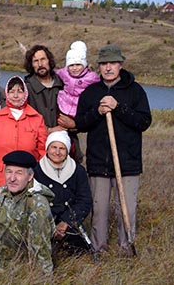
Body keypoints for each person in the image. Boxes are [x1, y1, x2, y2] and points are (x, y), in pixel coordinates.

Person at [75, 44, 151, 254]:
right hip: (98, 162)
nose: (108, 68)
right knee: (99, 210)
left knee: (127, 208)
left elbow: (144, 121)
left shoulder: (135, 91)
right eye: (104, 64)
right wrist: (98, 112)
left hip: (128, 162)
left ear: (120, 65)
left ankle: (126, 247)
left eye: (113, 63)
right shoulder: (91, 92)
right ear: (99, 66)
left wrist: (119, 107)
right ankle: (98, 248)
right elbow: (80, 123)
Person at [0, 76, 47, 193]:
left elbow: (42, 149)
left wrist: (41, 174)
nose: (15, 96)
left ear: (25, 93)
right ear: (7, 93)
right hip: (0, 177)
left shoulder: (37, 118)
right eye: (12, 92)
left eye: (20, 92)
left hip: (27, 177)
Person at [33, 131, 92, 249]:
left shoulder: (78, 171)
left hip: (69, 221)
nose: (57, 152)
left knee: (78, 251)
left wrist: (66, 222)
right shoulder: (37, 170)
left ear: (68, 151)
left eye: (62, 148)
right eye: (53, 147)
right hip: (44, 221)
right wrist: (51, 226)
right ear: (47, 149)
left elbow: (84, 200)